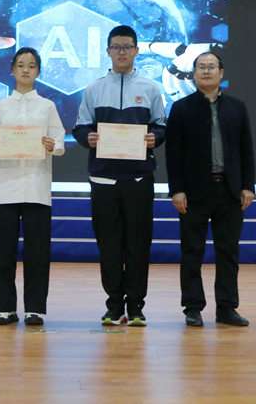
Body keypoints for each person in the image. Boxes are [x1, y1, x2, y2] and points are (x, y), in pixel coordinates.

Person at [73, 25, 166, 327]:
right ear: (108, 51)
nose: (122, 52)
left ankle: (136, 306)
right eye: (116, 47)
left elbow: (161, 126)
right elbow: (81, 126)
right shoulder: (94, 88)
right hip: (104, 180)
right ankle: (114, 305)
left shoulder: (151, 88)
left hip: (139, 179)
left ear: (136, 50)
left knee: (138, 244)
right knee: (109, 244)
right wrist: (87, 137)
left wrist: (155, 138)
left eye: (127, 47)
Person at [165, 50, 255, 328]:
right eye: (201, 67)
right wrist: (177, 190)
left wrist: (248, 186)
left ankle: (227, 308)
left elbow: (246, 150)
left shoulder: (237, 108)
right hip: (194, 193)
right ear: (193, 74)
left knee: (228, 252)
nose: (206, 71)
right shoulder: (181, 109)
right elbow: (173, 154)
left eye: (211, 66)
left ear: (221, 73)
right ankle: (193, 308)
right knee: (192, 251)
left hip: (229, 191)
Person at [0, 47, 65, 327]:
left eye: (31, 65)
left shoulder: (47, 106)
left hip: (37, 185)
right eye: (20, 65)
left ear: (38, 71)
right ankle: (3, 306)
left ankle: (35, 308)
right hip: (4, 186)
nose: (26, 70)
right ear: (12, 70)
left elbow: (59, 141)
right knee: (3, 251)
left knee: (37, 252)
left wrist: (53, 145)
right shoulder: (1, 106)